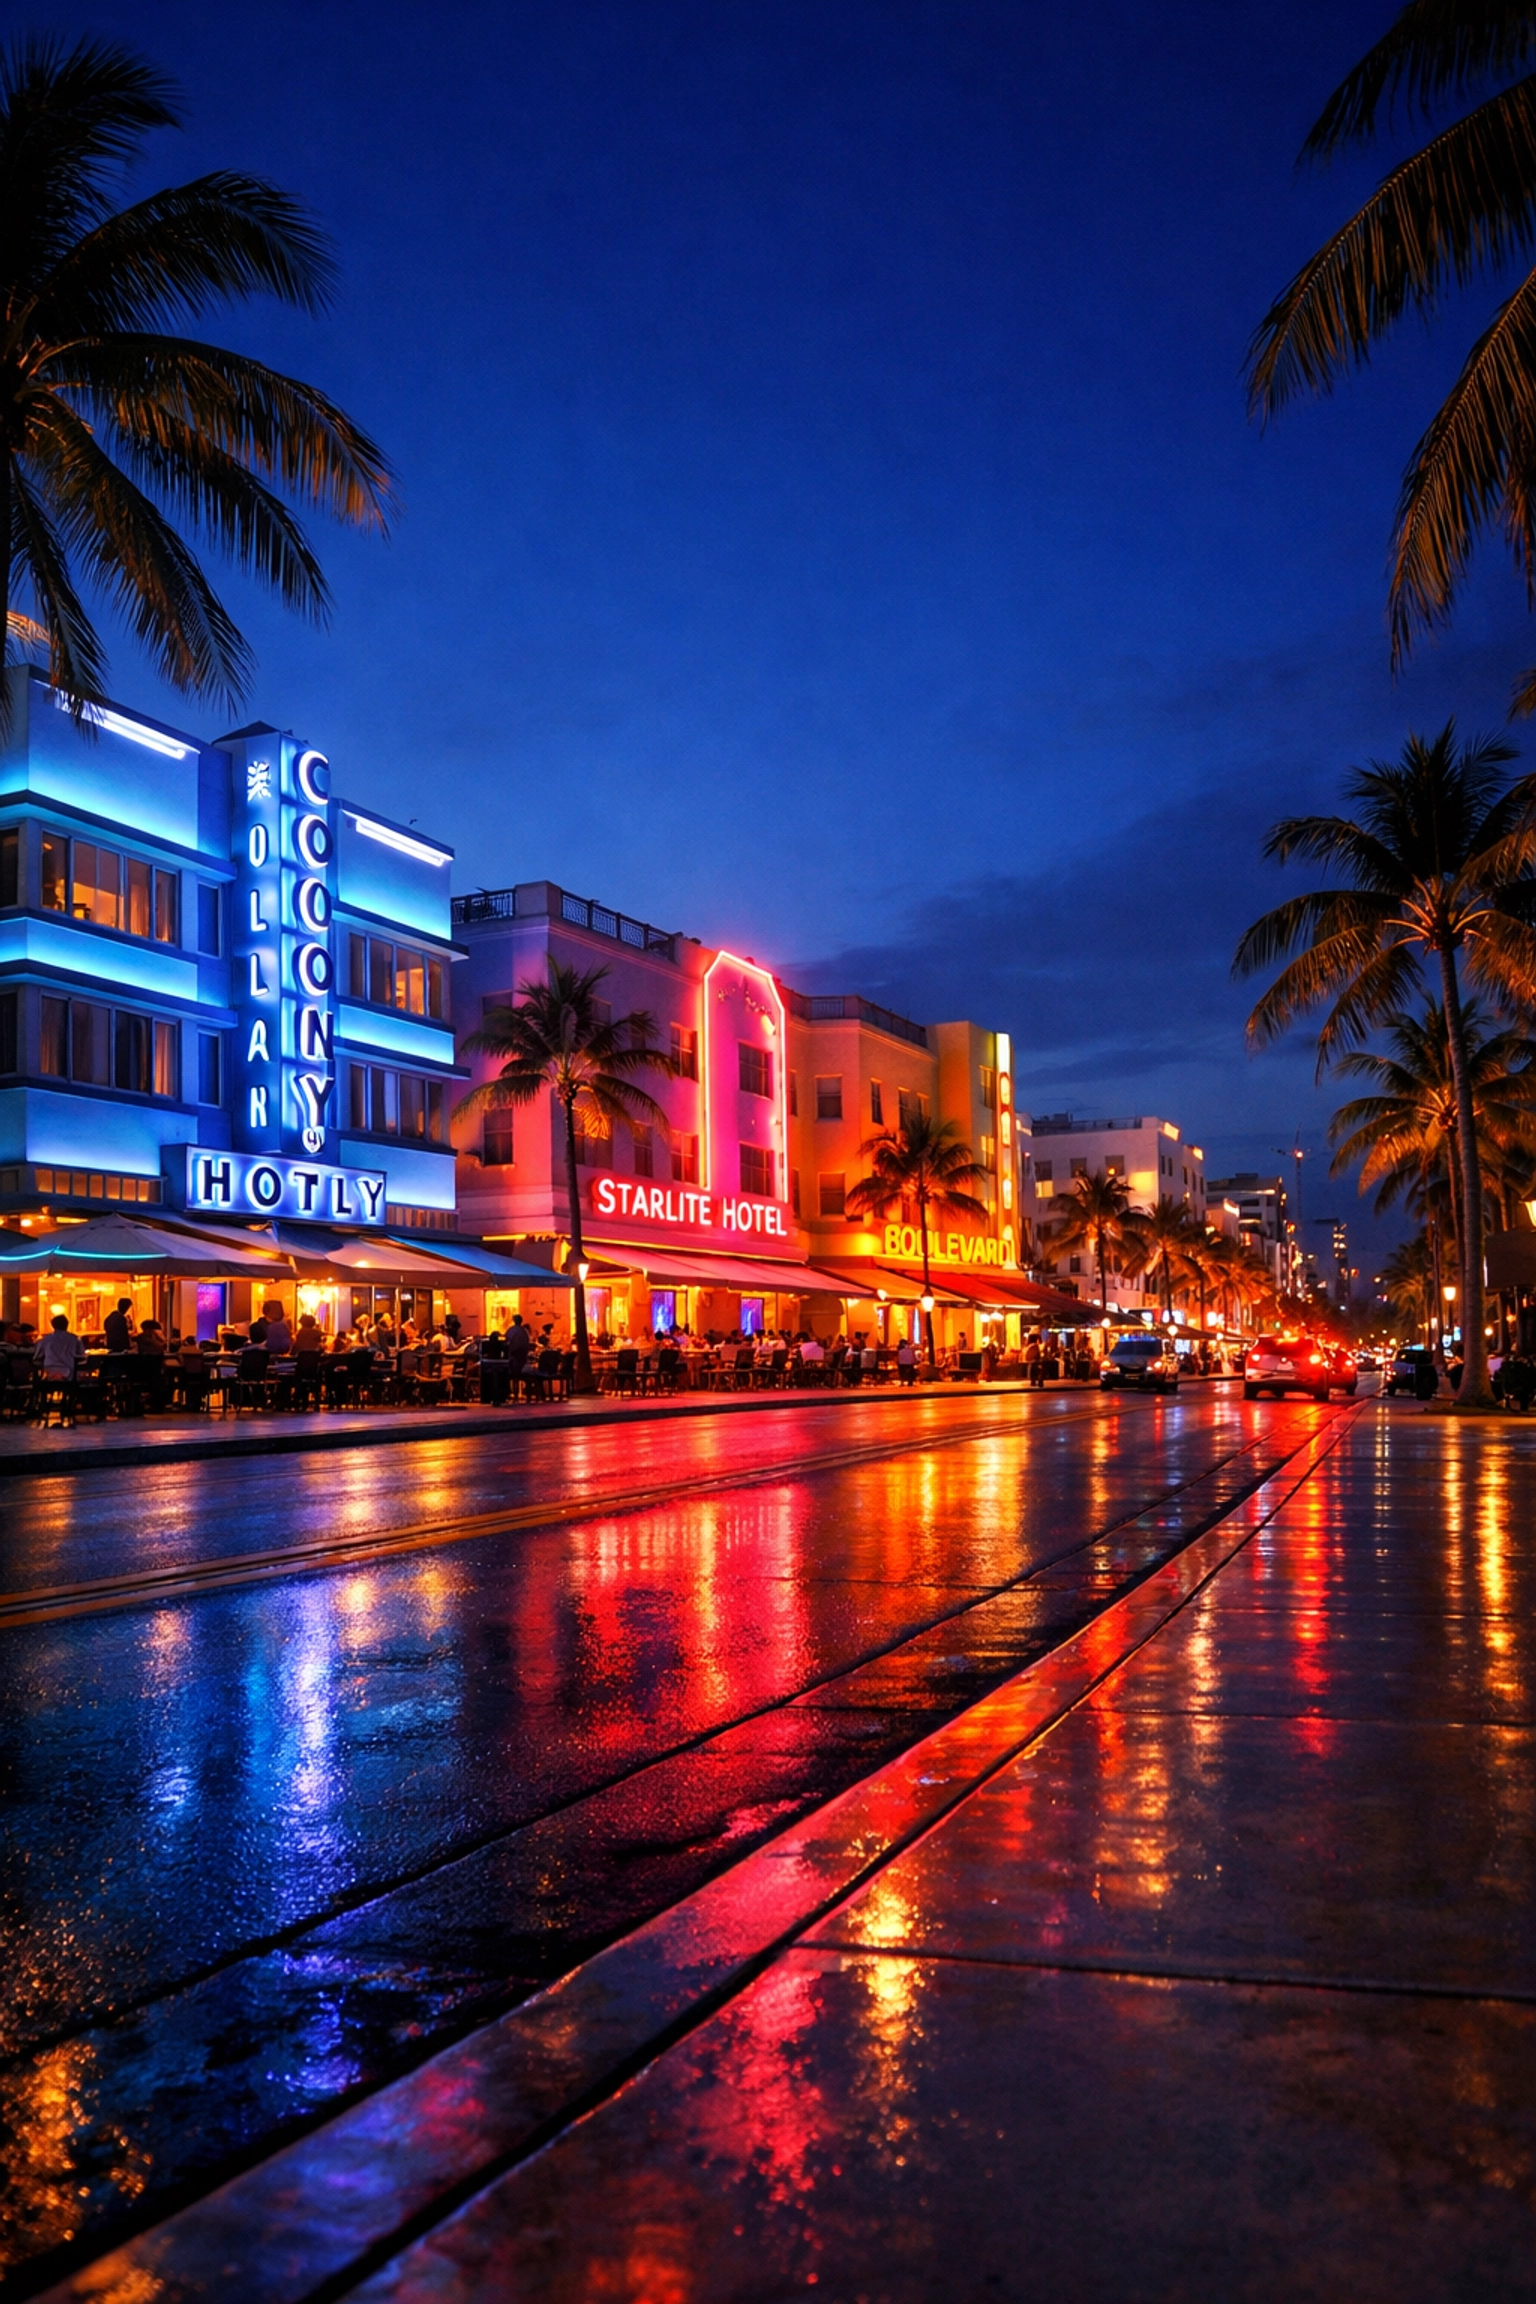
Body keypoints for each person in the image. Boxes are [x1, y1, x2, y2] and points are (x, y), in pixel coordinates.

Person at [35, 1312, 87, 1388]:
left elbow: (37, 1356)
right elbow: (81, 1355)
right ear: (67, 1325)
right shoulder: (74, 1339)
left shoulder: (45, 1339)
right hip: (68, 1372)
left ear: (53, 1325)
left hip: (48, 1372)